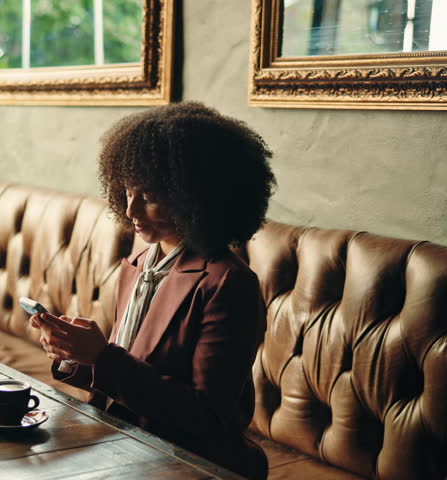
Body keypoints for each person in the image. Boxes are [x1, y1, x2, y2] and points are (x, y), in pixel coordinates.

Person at [30, 101, 276, 480]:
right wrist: (74, 353)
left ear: (195, 198)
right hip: (123, 445)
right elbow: (123, 381)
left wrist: (102, 356)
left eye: (149, 196)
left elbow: (206, 416)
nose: (130, 210)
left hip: (186, 460)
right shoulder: (139, 264)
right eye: (127, 191)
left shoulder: (228, 284)